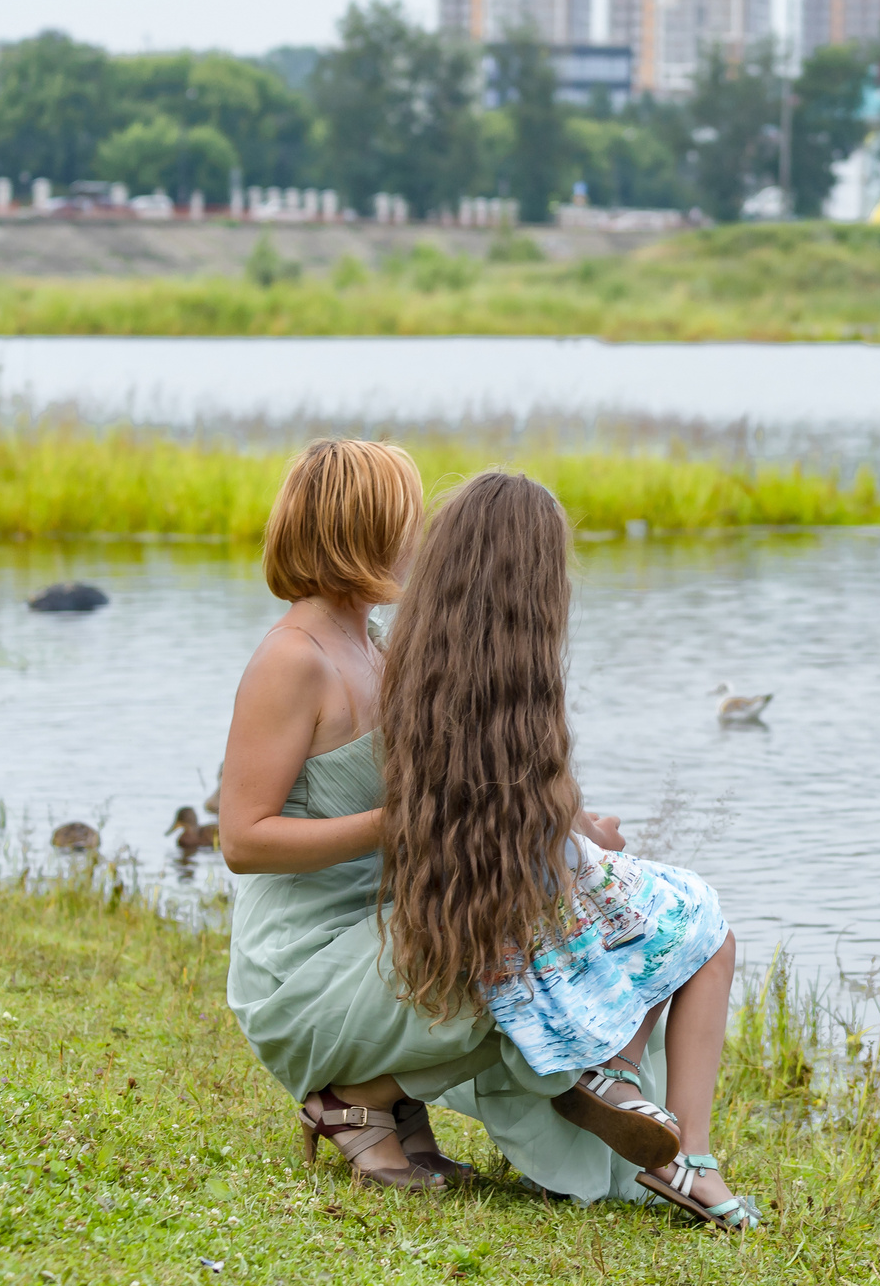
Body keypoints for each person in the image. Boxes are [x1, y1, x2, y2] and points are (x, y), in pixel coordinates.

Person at [219, 441, 671, 1199]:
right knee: (506, 951)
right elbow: (242, 840)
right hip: (301, 965)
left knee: (559, 921)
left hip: (380, 931)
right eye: (408, 519)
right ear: (360, 530)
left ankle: (397, 1098)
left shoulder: (379, 649)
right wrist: (389, 825)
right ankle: (354, 1097)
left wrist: (569, 825)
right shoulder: (292, 659)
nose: (420, 538)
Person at [380, 470, 759, 1229]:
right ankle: (685, 1152)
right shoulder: (521, 682)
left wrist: (576, 831)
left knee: (633, 890)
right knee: (703, 924)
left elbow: (487, 801)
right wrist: (586, 835)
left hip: (455, 902)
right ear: (538, 585)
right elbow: (532, 809)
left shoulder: (405, 662)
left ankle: (615, 1074)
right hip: (523, 913)